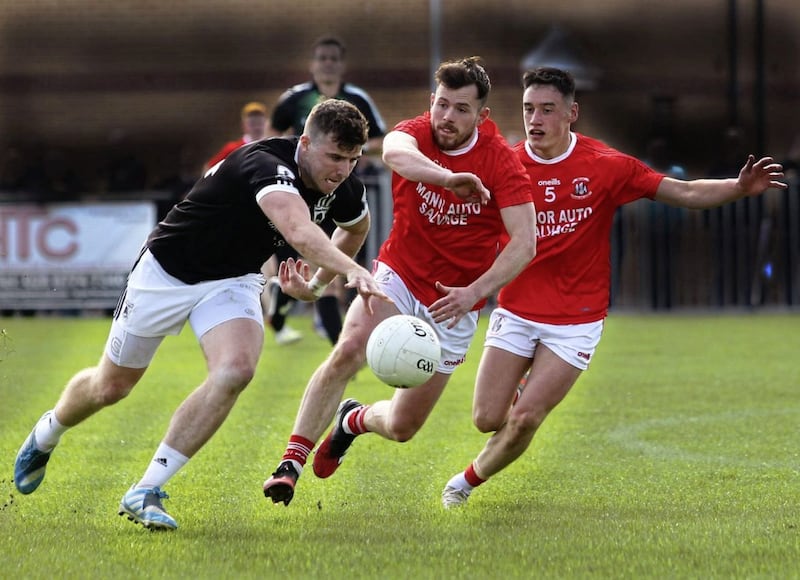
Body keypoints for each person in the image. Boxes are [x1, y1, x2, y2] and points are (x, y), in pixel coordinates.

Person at [13, 99, 389, 530]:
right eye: (335, 157)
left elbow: (356, 226)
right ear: (304, 143)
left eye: (353, 159)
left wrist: (320, 284)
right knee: (111, 386)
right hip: (167, 271)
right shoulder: (265, 164)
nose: (343, 170)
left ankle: (146, 489)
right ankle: (47, 432)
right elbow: (299, 231)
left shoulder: (344, 186)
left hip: (233, 279)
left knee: (235, 370)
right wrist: (356, 272)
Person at [440, 67, 788, 508]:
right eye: (529, 109)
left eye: (548, 109)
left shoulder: (605, 166)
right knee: (486, 418)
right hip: (517, 311)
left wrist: (738, 188)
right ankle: (526, 374)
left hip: (577, 319)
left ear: (572, 113)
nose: (536, 120)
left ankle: (464, 483)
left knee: (526, 417)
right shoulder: (506, 168)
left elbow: (683, 192)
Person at [262, 56, 537, 506]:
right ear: (432, 101)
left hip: (456, 303)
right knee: (349, 349)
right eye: (442, 105)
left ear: (481, 116)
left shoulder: (502, 162)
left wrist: (475, 292)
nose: (447, 117)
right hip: (399, 276)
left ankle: (352, 421)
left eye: (461, 109)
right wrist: (448, 179)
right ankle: (289, 465)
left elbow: (525, 244)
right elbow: (394, 154)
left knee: (402, 427)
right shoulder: (415, 133)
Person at [266, 35, 388, 346]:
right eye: (322, 58)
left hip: (337, 194)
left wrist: (345, 153)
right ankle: (280, 314)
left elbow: (381, 139)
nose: (328, 64)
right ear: (313, 63)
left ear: (342, 64)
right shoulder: (295, 98)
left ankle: (338, 344)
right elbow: (271, 136)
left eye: (333, 58)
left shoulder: (357, 99)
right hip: (295, 193)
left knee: (326, 273)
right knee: (293, 268)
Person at [204, 101, 303, 345]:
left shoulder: (274, 146)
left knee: (274, 271)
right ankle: (275, 323)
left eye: (260, 118)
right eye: (252, 119)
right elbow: (209, 170)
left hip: (272, 216)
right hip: (245, 218)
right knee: (265, 271)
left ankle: (274, 318)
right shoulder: (234, 148)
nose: (256, 123)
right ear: (244, 123)